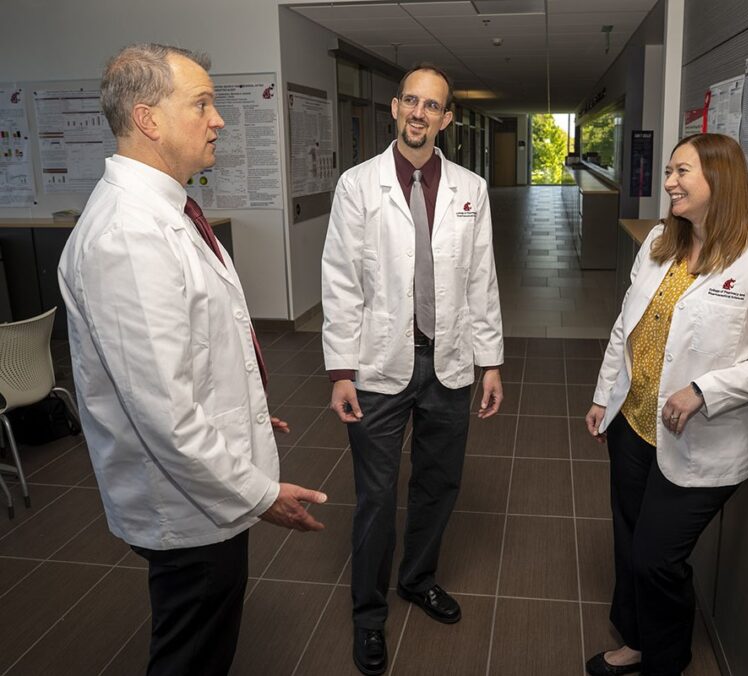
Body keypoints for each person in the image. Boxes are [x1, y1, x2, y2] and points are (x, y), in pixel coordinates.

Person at [58, 43, 328, 676]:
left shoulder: (168, 212)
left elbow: (190, 352)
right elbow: (165, 414)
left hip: (202, 482)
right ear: (148, 119)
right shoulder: (129, 236)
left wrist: (247, 411)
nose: (219, 120)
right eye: (202, 104)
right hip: (187, 505)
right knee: (191, 657)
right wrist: (262, 495)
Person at [584, 133, 748, 676]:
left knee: (656, 558)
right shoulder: (663, 239)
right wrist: (602, 393)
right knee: (628, 538)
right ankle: (635, 639)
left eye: (681, 172)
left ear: (720, 178)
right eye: (669, 171)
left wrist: (707, 391)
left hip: (699, 438)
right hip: (633, 421)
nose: (668, 183)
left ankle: (666, 660)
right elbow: (627, 323)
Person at [321, 63, 503, 676]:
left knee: (437, 484)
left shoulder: (470, 190)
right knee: (375, 496)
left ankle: (418, 578)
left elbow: (482, 282)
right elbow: (341, 282)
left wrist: (492, 361)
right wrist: (341, 371)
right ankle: (368, 615)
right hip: (376, 366)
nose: (420, 113)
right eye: (411, 102)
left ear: (447, 118)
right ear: (395, 109)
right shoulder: (357, 186)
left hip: (449, 364)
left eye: (433, 106)